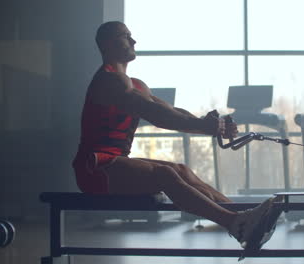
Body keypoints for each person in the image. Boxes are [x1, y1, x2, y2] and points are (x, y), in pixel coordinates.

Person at [72, 21, 280, 250]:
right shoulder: (109, 80)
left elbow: (172, 111)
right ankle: (234, 223)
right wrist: (205, 127)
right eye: (125, 36)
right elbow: (156, 115)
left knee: (182, 170)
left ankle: (244, 218)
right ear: (108, 43)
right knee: (165, 174)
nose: (133, 41)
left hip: (116, 162)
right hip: (94, 168)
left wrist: (210, 124)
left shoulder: (136, 84)